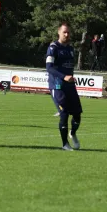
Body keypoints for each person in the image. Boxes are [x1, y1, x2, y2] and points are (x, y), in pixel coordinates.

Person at [46, 22, 82, 151]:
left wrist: (70, 78)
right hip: (57, 85)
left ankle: (72, 133)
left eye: (68, 32)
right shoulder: (53, 47)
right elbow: (49, 68)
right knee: (64, 114)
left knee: (77, 114)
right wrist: (64, 77)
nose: (67, 34)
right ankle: (65, 144)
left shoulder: (71, 49)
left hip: (70, 86)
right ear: (59, 33)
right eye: (64, 32)